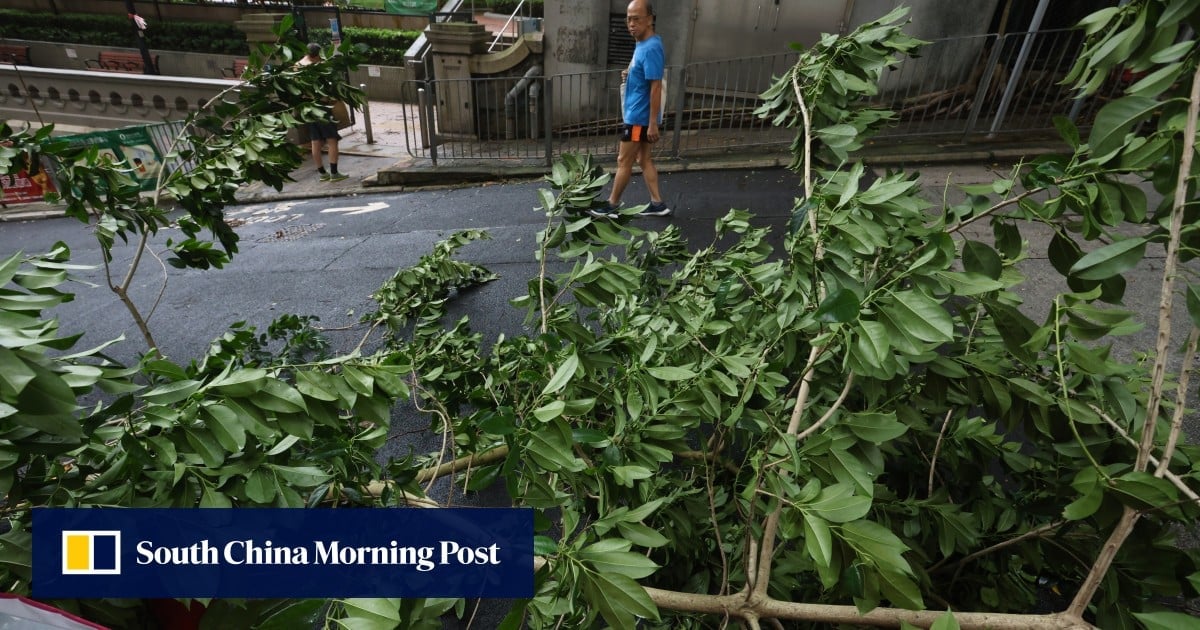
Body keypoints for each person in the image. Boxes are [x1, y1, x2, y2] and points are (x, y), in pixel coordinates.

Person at [595, 0, 671, 218]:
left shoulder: (652, 48)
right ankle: (657, 203)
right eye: (628, 19)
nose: (631, 24)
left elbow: (656, 86)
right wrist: (629, 75)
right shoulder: (643, 43)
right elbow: (644, 75)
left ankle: (612, 205)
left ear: (649, 19)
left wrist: (653, 124)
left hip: (638, 117)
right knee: (643, 159)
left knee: (623, 160)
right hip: (639, 115)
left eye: (636, 18)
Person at [297, 43, 348, 182]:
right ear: (318, 54)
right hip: (322, 106)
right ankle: (334, 173)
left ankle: (322, 173)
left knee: (316, 141)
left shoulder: (297, 66)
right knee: (332, 140)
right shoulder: (318, 67)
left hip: (308, 108)